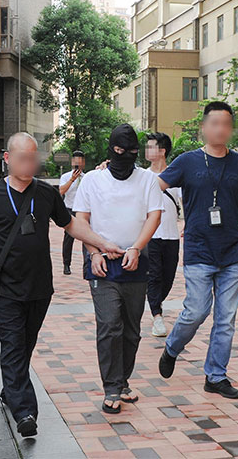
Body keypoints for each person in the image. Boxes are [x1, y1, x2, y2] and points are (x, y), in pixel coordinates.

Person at [0, 133, 124, 437]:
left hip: (39, 288)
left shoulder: (45, 193)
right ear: (7, 159)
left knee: (24, 345)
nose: (29, 164)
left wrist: (102, 243)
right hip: (4, 289)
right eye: (23, 158)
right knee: (13, 345)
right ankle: (25, 412)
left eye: (33, 158)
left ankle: (12, 389)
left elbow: (71, 224)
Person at [154, 101, 238, 400]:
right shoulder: (187, 161)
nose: (220, 129)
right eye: (215, 124)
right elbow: (153, 187)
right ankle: (172, 347)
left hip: (232, 254)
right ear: (203, 127)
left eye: (226, 124)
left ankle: (216, 376)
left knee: (225, 320)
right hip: (199, 250)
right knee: (197, 311)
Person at [74, 124, 163, 414]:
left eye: (132, 152)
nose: (127, 157)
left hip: (135, 260)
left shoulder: (147, 179)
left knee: (131, 329)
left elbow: (154, 216)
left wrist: (136, 247)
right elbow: (81, 220)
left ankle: (122, 380)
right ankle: (111, 387)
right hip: (102, 263)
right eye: (121, 151)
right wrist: (94, 252)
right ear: (111, 150)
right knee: (110, 324)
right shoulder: (92, 180)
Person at [144, 132, 181, 337]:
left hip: (171, 235)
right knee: (154, 275)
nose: (146, 150)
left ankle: (155, 302)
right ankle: (157, 315)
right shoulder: (142, 175)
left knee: (168, 277)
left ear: (162, 151)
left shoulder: (175, 175)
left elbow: (186, 201)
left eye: (151, 147)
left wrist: (188, 224)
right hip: (150, 235)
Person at [58, 150, 86, 275]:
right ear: (72, 162)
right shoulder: (65, 177)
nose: (77, 165)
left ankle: (87, 265)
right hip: (69, 209)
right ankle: (66, 264)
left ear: (83, 163)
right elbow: (61, 191)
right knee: (69, 238)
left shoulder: (87, 178)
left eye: (80, 162)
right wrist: (72, 179)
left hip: (83, 211)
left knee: (87, 238)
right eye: (75, 162)